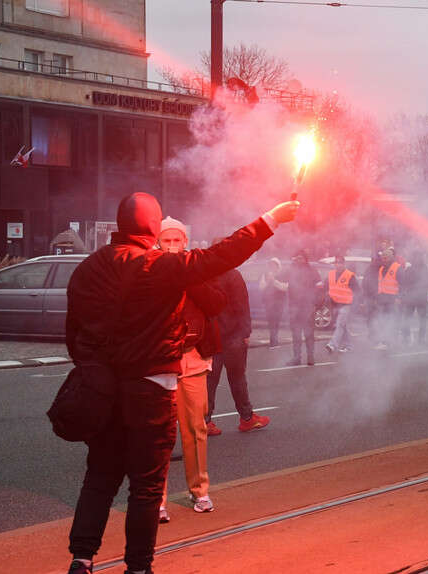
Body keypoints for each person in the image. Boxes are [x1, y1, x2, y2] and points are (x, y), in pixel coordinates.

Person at [64, 193, 296, 574]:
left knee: (99, 476)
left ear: (120, 226)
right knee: (146, 485)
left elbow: (72, 334)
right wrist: (270, 218)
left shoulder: (87, 270)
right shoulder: (160, 267)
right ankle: (138, 568)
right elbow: (224, 254)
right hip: (151, 388)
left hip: (100, 390)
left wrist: (95, 369)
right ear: (154, 228)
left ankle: (82, 559)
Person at [155, 217, 225, 523]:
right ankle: (156, 499)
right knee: (158, 434)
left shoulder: (197, 270)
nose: (171, 246)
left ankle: (200, 491)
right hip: (158, 363)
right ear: (158, 243)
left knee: (195, 429)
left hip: (194, 360)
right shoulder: (149, 272)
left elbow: (217, 303)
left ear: (185, 242)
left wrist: (187, 276)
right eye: (166, 241)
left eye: (176, 241)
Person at [207, 263, 269, 436]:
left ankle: (205, 421)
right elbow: (242, 305)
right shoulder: (232, 275)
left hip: (211, 337)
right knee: (237, 378)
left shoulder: (205, 274)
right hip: (232, 336)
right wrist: (246, 332)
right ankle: (247, 418)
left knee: (209, 381)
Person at [278, 251, 321, 366]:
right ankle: (297, 358)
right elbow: (280, 277)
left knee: (309, 333)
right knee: (296, 334)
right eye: (296, 258)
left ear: (306, 259)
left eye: (301, 258)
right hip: (294, 308)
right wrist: (291, 265)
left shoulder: (312, 271)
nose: (298, 261)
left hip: (308, 307)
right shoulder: (291, 270)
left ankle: (310, 357)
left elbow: (319, 287)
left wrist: (316, 304)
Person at [365, 249, 401, 350]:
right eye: (383, 258)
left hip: (393, 299)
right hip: (382, 299)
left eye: (385, 258)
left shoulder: (397, 268)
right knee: (382, 320)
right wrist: (378, 297)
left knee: (390, 320)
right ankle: (384, 341)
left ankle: (388, 342)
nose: (384, 260)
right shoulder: (381, 269)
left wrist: (399, 297)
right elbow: (381, 284)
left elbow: (403, 284)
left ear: (391, 257)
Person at [324, 256, 357, 354]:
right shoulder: (330, 274)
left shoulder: (350, 275)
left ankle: (332, 345)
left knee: (339, 325)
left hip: (346, 304)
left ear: (344, 264)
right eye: (337, 263)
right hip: (335, 304)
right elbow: (326, 286)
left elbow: (357, 291)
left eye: (340, 263)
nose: (338, 265)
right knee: (343, 326)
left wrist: (355, 304)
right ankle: (348, 346)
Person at [399, 251, 428, 345]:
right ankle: (420, 338)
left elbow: (404, 283)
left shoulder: (410, 269)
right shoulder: (425, 269)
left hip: (413, 297)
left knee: (408, 318)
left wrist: (405, 294)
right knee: (421, 319)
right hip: (419, 297)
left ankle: (407, 337)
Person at [258, 257, 285, 347]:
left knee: (277, 321)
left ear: (278, 266)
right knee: (271, 321)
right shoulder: (265, 275)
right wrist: (268, 281)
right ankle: (273, 342)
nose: (272, 267)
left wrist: (274, 281)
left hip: (279, 302)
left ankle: (274, 340)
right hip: (269, 302)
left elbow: (285, 287)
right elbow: (261, 287)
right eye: (271, 265)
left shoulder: (282, 275)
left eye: (274, 265)